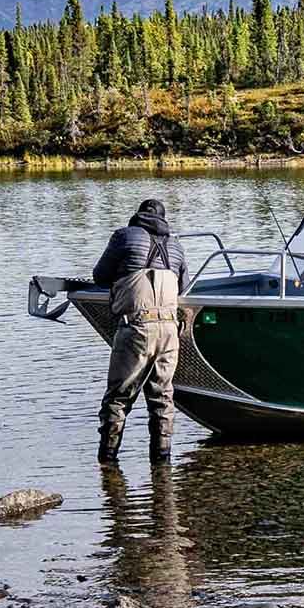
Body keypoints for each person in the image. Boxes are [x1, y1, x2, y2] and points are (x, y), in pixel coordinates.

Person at [92, 198, 188, 463]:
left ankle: (108, 462)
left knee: (118, 398)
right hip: (170, 330)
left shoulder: (124, 236)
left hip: (136, 327)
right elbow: (183, 287)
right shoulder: (177, 246)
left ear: (137, 215)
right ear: (163, 219)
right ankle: (162, 462)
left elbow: (100, 276)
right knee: (162, 399)